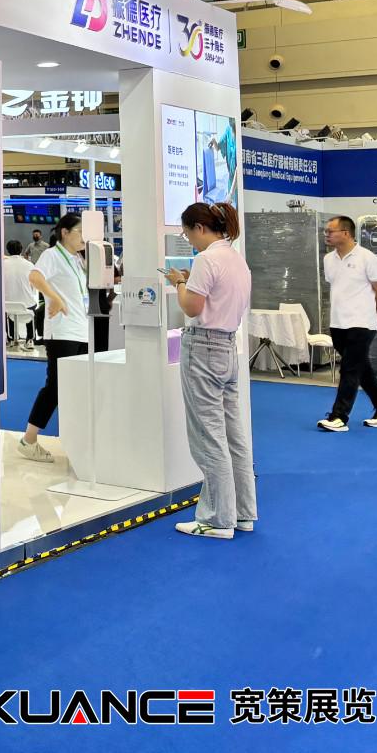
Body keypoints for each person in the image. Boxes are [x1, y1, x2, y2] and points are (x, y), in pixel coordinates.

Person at [164, 202, 256, 540]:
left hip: (203, 348)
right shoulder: (236, 258)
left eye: (188, 233)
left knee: (208, 436)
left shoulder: (206, 259)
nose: (189, 240)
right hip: (228, 347)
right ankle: (242, 513)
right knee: (233, 436)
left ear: (199, 228)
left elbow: (192, 306)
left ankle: (218, 519)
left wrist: (179, 283)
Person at [17, 213, 88, 462]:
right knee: (55, 387)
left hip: (81, 331)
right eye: (80, 231)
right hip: (62, 332)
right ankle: (29, 440)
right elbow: (35, 277)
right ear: (65, 233)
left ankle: (77, 440)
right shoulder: (52, 255)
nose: (84, 237)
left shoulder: (77, 259)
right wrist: (54, 297)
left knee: (77, 387)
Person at [318, 216, 377, 432]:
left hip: (363, 323)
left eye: (330, 231)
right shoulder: (328, 259)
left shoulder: (367, 258)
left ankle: (339, 417)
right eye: (326, 231)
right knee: (361, 368)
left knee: (350, 369)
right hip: (338, 324)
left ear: (346, 233)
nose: (326, 234)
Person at [2, 241, 36, 349]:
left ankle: (10, 338)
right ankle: (30, 339)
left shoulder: (2, 264)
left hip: (7, 304)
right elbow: (33, 284)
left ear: (8, 250)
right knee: (32, 303)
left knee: (8, 311)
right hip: (26, 304)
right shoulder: (29, 265)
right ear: (21, 250)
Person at [24, 230, 50, 342]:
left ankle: (44, 302)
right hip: (35, 269)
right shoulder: (31, 246)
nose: (35, 236)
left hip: (44, 271)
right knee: (38, 290)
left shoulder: (46, 246)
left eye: (37, 234)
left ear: (41, 235)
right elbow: (26, 253)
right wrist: (28, 262)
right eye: (34, 234)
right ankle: (41, 301)